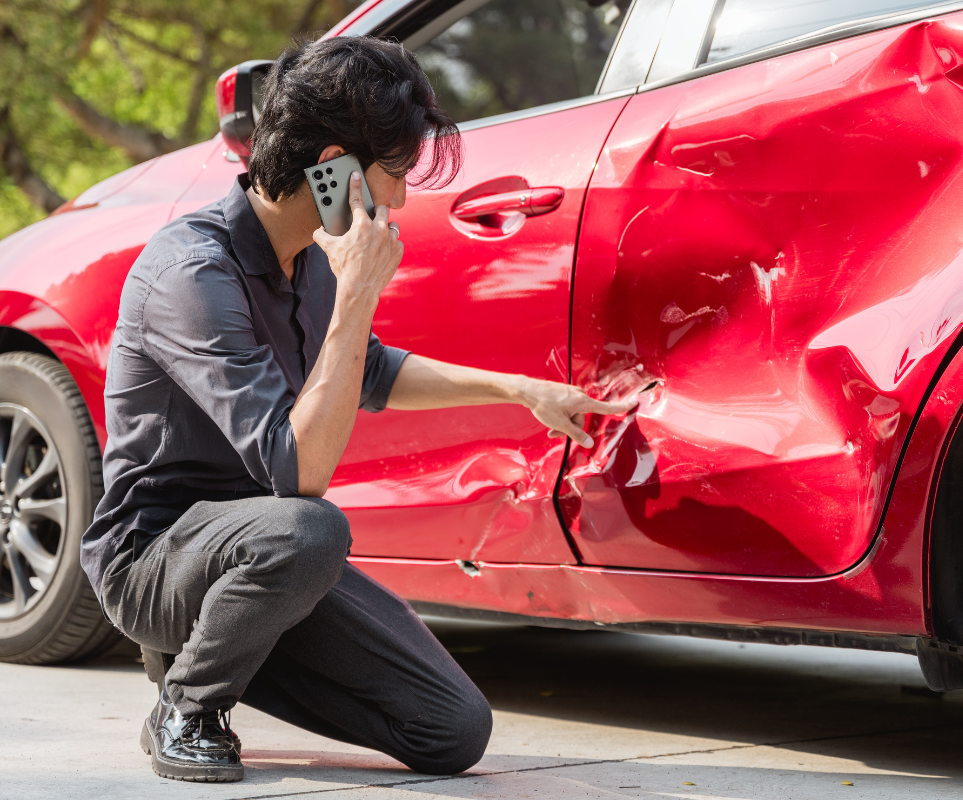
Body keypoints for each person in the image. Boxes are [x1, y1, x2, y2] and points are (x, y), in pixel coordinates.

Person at [80, 36, 634, 783]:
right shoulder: (192, 274)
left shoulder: (306, 258)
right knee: (314, 527)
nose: (401, 200)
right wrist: (358, 290)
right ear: (334, 166)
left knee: (451, 731)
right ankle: (188, 703)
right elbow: (298, 472)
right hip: (154, 561)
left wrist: (520, 390)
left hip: (263, 557)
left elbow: (369, 369)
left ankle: (214, 643)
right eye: (394, 174)